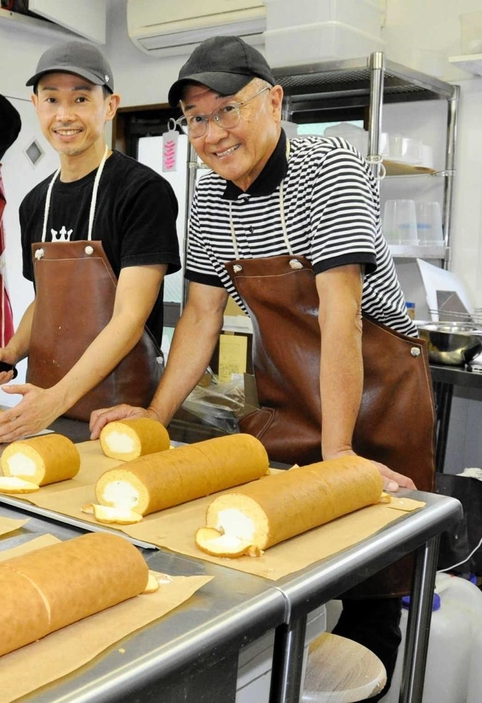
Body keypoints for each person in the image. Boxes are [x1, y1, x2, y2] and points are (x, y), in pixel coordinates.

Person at [90, 36, 436, 700]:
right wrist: (154, 421)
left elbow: (343, 320)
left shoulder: (329, 167)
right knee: (274, 567)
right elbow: (198, 319)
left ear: (274, 101)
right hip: (289, 399)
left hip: (377, 396)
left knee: (371, 585)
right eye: (196, 118)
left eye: (227, 109)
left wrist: (339, 451)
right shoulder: (212, 197)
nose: (213, 132)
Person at [0, 40, 180, 445]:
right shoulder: (35, 203)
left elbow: (128, 317)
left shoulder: (142, 191)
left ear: (109, 107)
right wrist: (14, 350)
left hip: (116, 418)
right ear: (36, 105)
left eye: (81, 99)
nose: (65, 115)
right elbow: (46, 300)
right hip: (45, 409)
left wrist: (57, 399)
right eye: (52, 99)